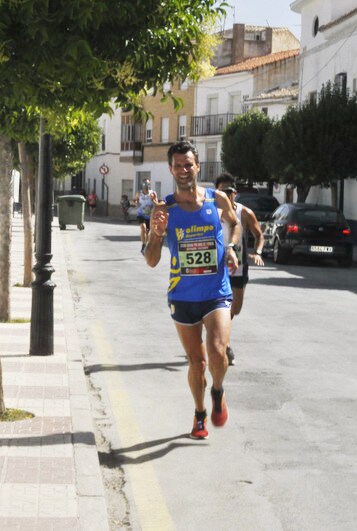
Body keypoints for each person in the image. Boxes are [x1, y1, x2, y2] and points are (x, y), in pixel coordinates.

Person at [145, 141, 241, 440]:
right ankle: (200, 413)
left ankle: (217, 390)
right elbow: (150, 260)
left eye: (189, 164)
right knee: (196, 362)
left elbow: (236, 224)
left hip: (216, 291)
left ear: (197, 166)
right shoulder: (165, 209)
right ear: (171, 170)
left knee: (217, 351)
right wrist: (157, 234)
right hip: (182, 296)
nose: (184, 170)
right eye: (178, 166)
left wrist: (232, 247)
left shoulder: (218, 199)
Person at [214, 173, 265, 366]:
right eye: (221, 191)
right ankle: (223, 344)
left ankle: (219, 335)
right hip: (215, 266)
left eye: (229, 191)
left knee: (234, 308)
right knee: (218, 308)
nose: (226, 195)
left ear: (235, 193)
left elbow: (259, 234)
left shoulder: (244, 212)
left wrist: (258, 251)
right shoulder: (209, 211)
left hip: (238, 266)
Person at [133, 180, 156, 254]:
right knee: (143, 228)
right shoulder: (139, 193)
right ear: (143, 186)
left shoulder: (152, 193)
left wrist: (153, 202)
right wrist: (136, 203)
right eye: (146, 185)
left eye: (148, 184)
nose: (147, 186)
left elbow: (156, 202)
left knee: (148, 231)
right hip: (141, 214)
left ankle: (146, 245)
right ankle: (143, 245)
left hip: (149, 215)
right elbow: (134, 200)